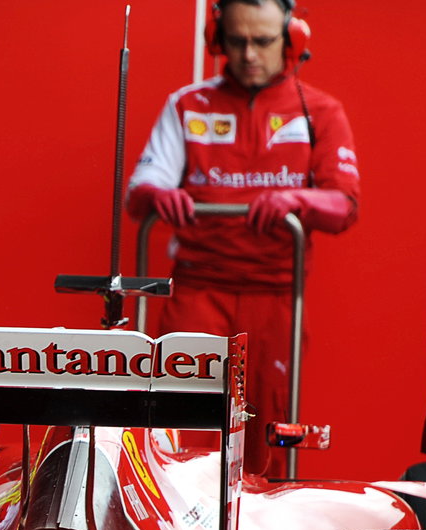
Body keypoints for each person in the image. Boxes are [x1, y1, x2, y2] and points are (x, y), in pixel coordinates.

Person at [125, 0, 358, 475]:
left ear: (292, 39)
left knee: (266, 433)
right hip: (197, 291)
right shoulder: (188, 105)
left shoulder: (321, 112)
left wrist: (298, 200)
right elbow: (139, 192)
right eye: (237, 40)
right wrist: (157, 196)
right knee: (175, 431)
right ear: (218, 39)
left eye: (264, 41)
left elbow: (345, 205)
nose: (249, 54)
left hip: (276, 298)